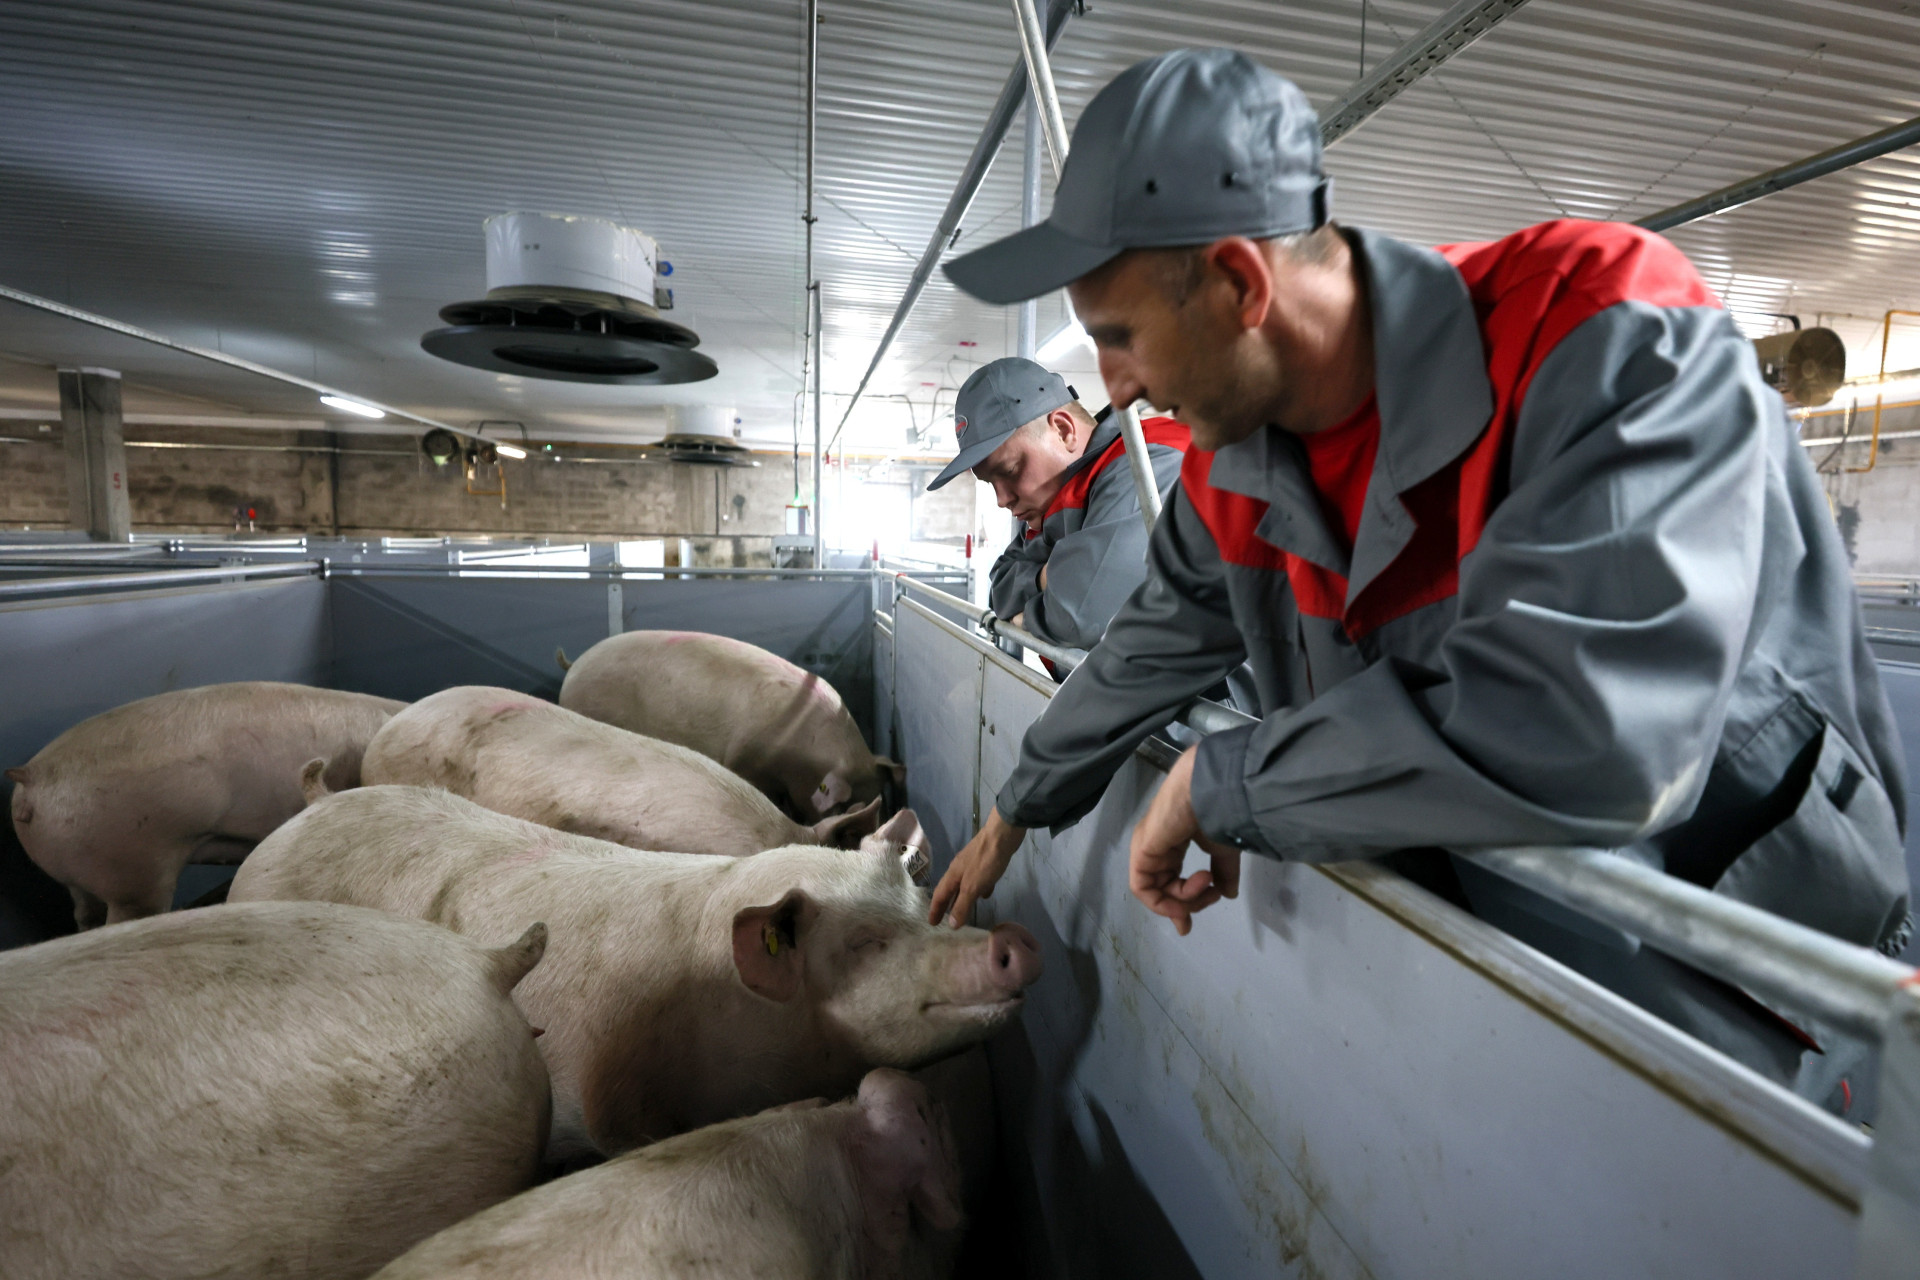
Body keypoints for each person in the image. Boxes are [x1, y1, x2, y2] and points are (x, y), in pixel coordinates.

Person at [926, 47, 1911, 1098]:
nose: (1114, 386)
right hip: (1509, 1002)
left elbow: (1593, 728)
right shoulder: (1240, 464)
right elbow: (1147, 645)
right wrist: (1013, 812)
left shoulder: (1603, 333)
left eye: (1119, 337)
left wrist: (1229, 777)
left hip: (1758, 988)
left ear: (1237, 283)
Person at [927, 357, 1188, 653]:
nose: (1002, 500)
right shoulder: (1058, 500)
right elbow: (1000, 587)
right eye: (990, 483)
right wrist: (1044, 578)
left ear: (1063, 430)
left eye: (1011, 470)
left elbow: (1080, 618)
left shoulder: (1147, 464)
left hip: (1218, 697)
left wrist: (1025, 620)